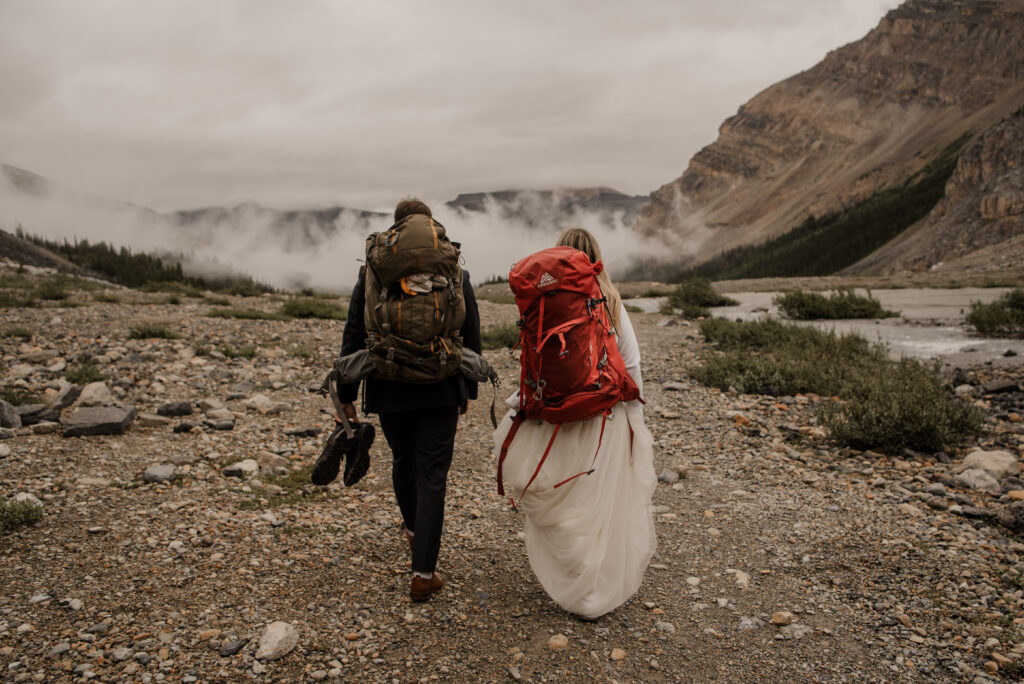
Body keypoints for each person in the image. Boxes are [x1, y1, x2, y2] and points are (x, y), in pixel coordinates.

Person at [493, 227, 656, 619]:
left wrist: (519, 406)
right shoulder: (610, 300)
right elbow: (631, 364)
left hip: (555, 415)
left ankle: (571, 575)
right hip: (603, 416)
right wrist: (636, 411)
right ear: (594, 258)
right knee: (597, 500)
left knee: (564, 495)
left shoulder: (541, 302)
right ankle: (594, 591)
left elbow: (531, 364)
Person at [337, 197, 482, 602]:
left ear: (394, 232)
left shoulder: (372, 273)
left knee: (403, 460)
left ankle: (414, 530)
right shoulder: (456, 272)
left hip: (389, 384)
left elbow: (354, 334)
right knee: (433, 475)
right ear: (433, 230)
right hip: (441, 385)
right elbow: (471, 334)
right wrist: (467, 389)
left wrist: (346, 397)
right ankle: (423, 572)